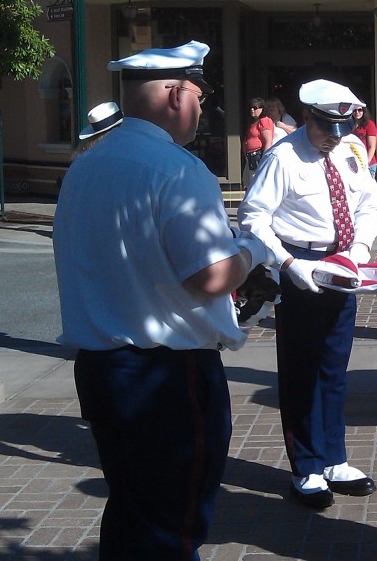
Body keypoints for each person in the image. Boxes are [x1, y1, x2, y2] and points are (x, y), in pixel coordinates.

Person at [53, 41, 270, 561]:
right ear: (174, 95)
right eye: (197, 93)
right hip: (167, 378)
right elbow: (211, 277)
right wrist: (254, 250)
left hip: (103, 370)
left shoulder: (87, 164)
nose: (202, 107)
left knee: (131, 512)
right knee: (173, 525)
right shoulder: (178, 169)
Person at [238, 79, 377, 510]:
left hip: (342, 265)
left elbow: (368, 203)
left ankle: (334, 459)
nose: (333, 139)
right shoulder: (283, 156)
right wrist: (288, 264)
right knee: (301, 371)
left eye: (342, 128)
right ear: (307, 118)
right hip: (300, 266)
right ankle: (307, 466)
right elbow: (254, 218)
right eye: (326, 129)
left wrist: (359, 249)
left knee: (334, 367)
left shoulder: (351, 149)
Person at [243, 98, 274, 186]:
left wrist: (264, 159)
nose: (252, 110)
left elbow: (268, 141)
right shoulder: (254, 122)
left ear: (262, 109)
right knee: (248, 182)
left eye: (255, 108)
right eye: (250, 108)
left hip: (258, 157)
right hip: (250, 158)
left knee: (256, 183)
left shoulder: (264, 120)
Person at [351, 104, 377, 180]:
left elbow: (372, 146)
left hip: (367, 163)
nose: (357, 112)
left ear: (364, 111)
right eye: (354, 110)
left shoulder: (369, 124)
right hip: (353, 163)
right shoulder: (350, 124)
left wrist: (366, 163)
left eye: (360, 110)